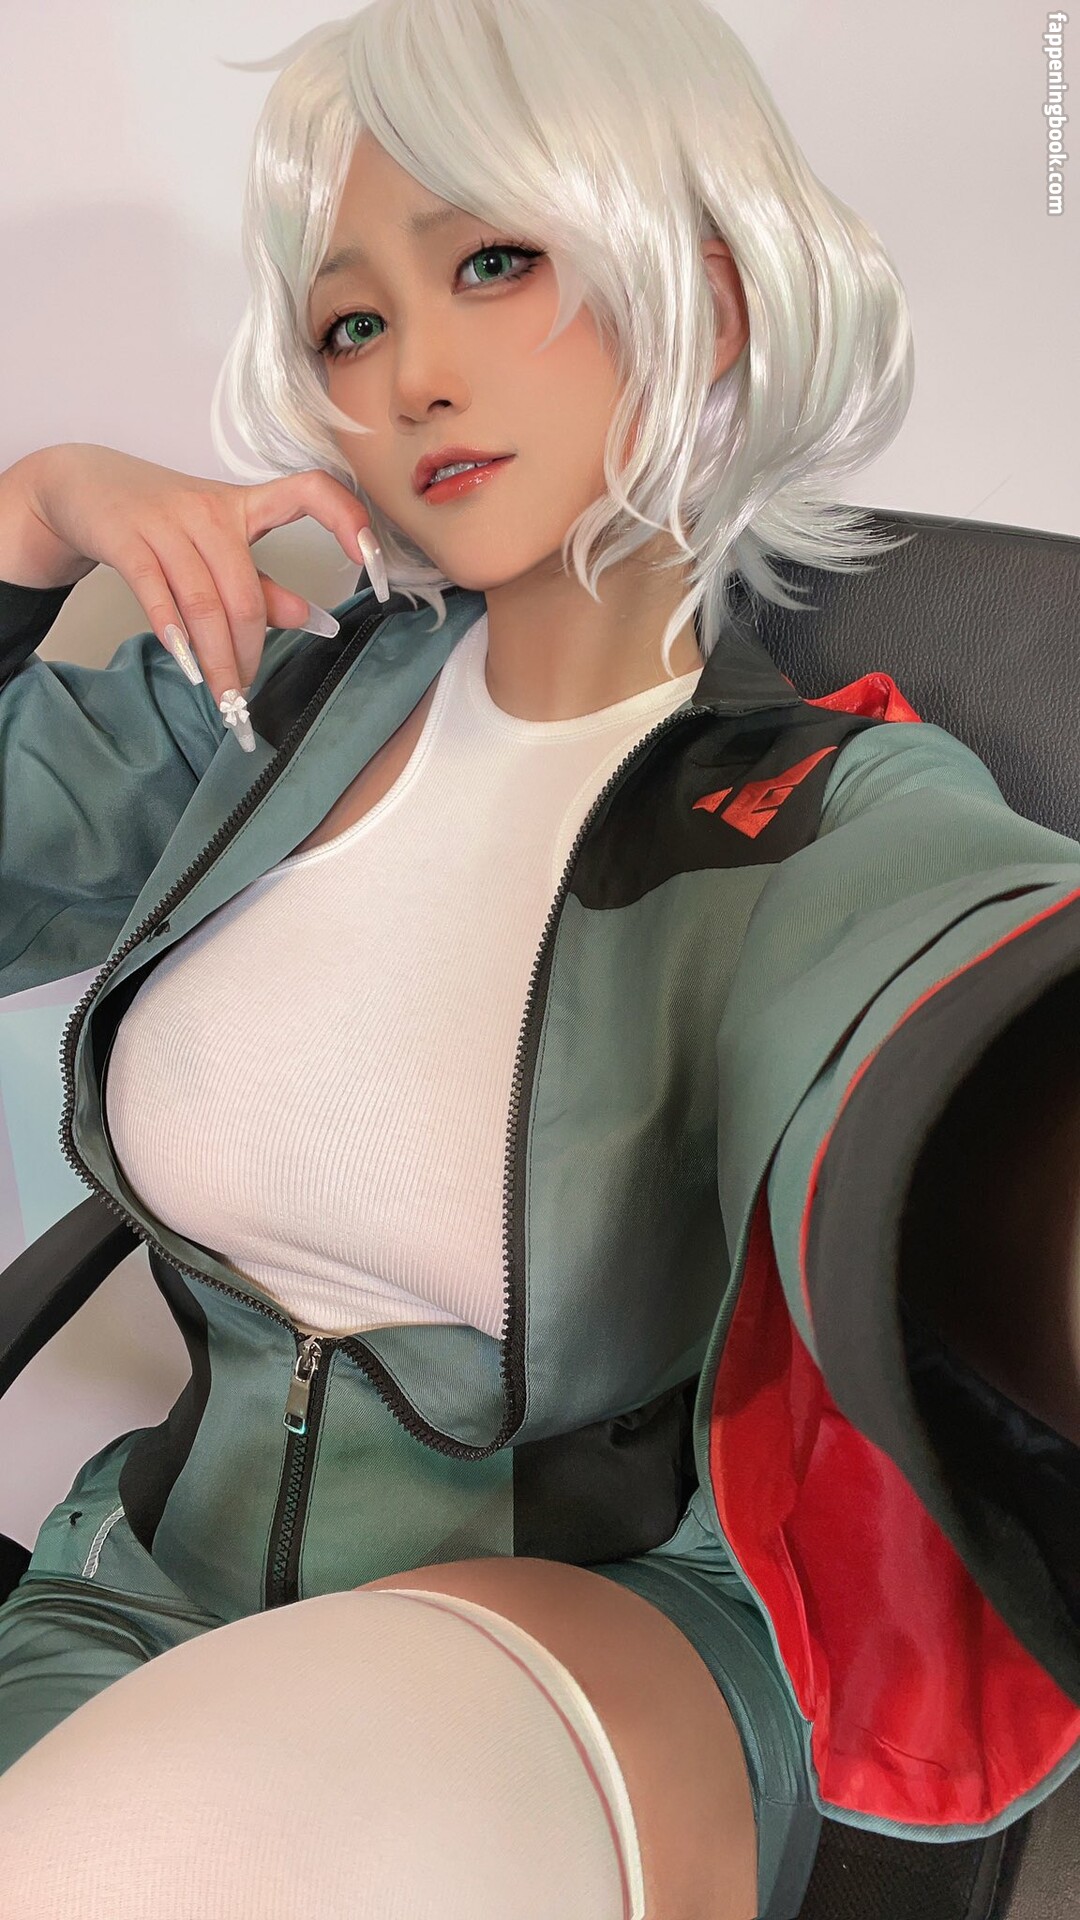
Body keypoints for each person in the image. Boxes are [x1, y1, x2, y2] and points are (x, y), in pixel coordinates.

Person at [0, 1, 1077, 1914]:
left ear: (708, 299)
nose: (416, 373)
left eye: (494, 262)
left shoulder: (827, 810)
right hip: (137, 1595)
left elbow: (969, 1015)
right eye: (352, 322)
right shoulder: (259, 713)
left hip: (584, 1636)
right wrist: (26, 519)